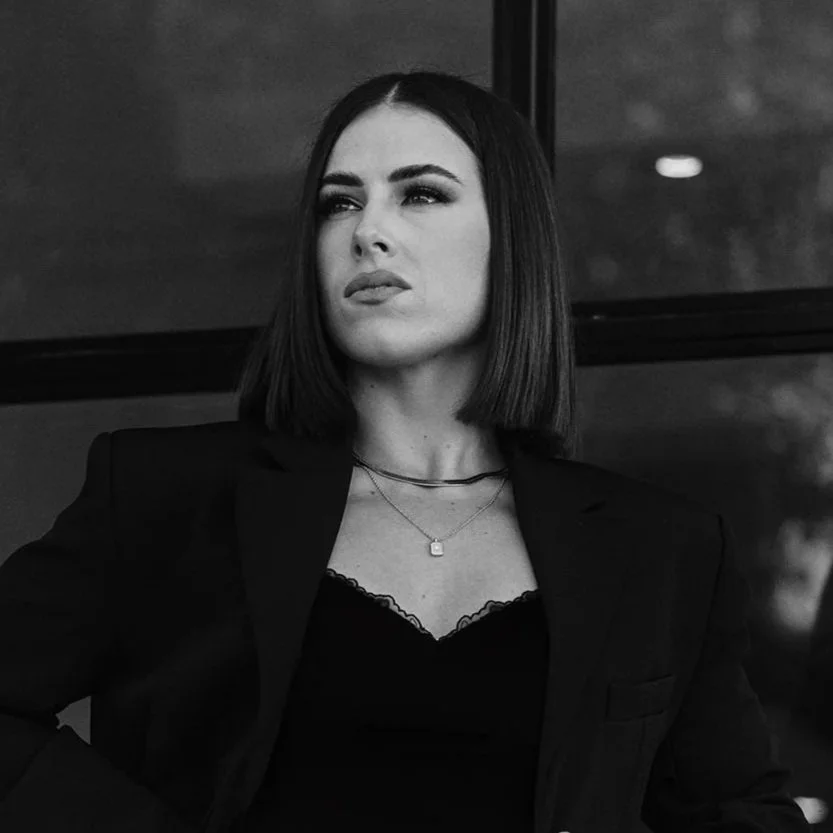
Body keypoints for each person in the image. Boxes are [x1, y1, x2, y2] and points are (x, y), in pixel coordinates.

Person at [0, 70, 811, 833]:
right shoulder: (162, 494)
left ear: (511, 238)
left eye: (420, 194)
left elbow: (741, 812)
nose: (368, 231)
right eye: (337, 203)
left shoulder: (659, 547)